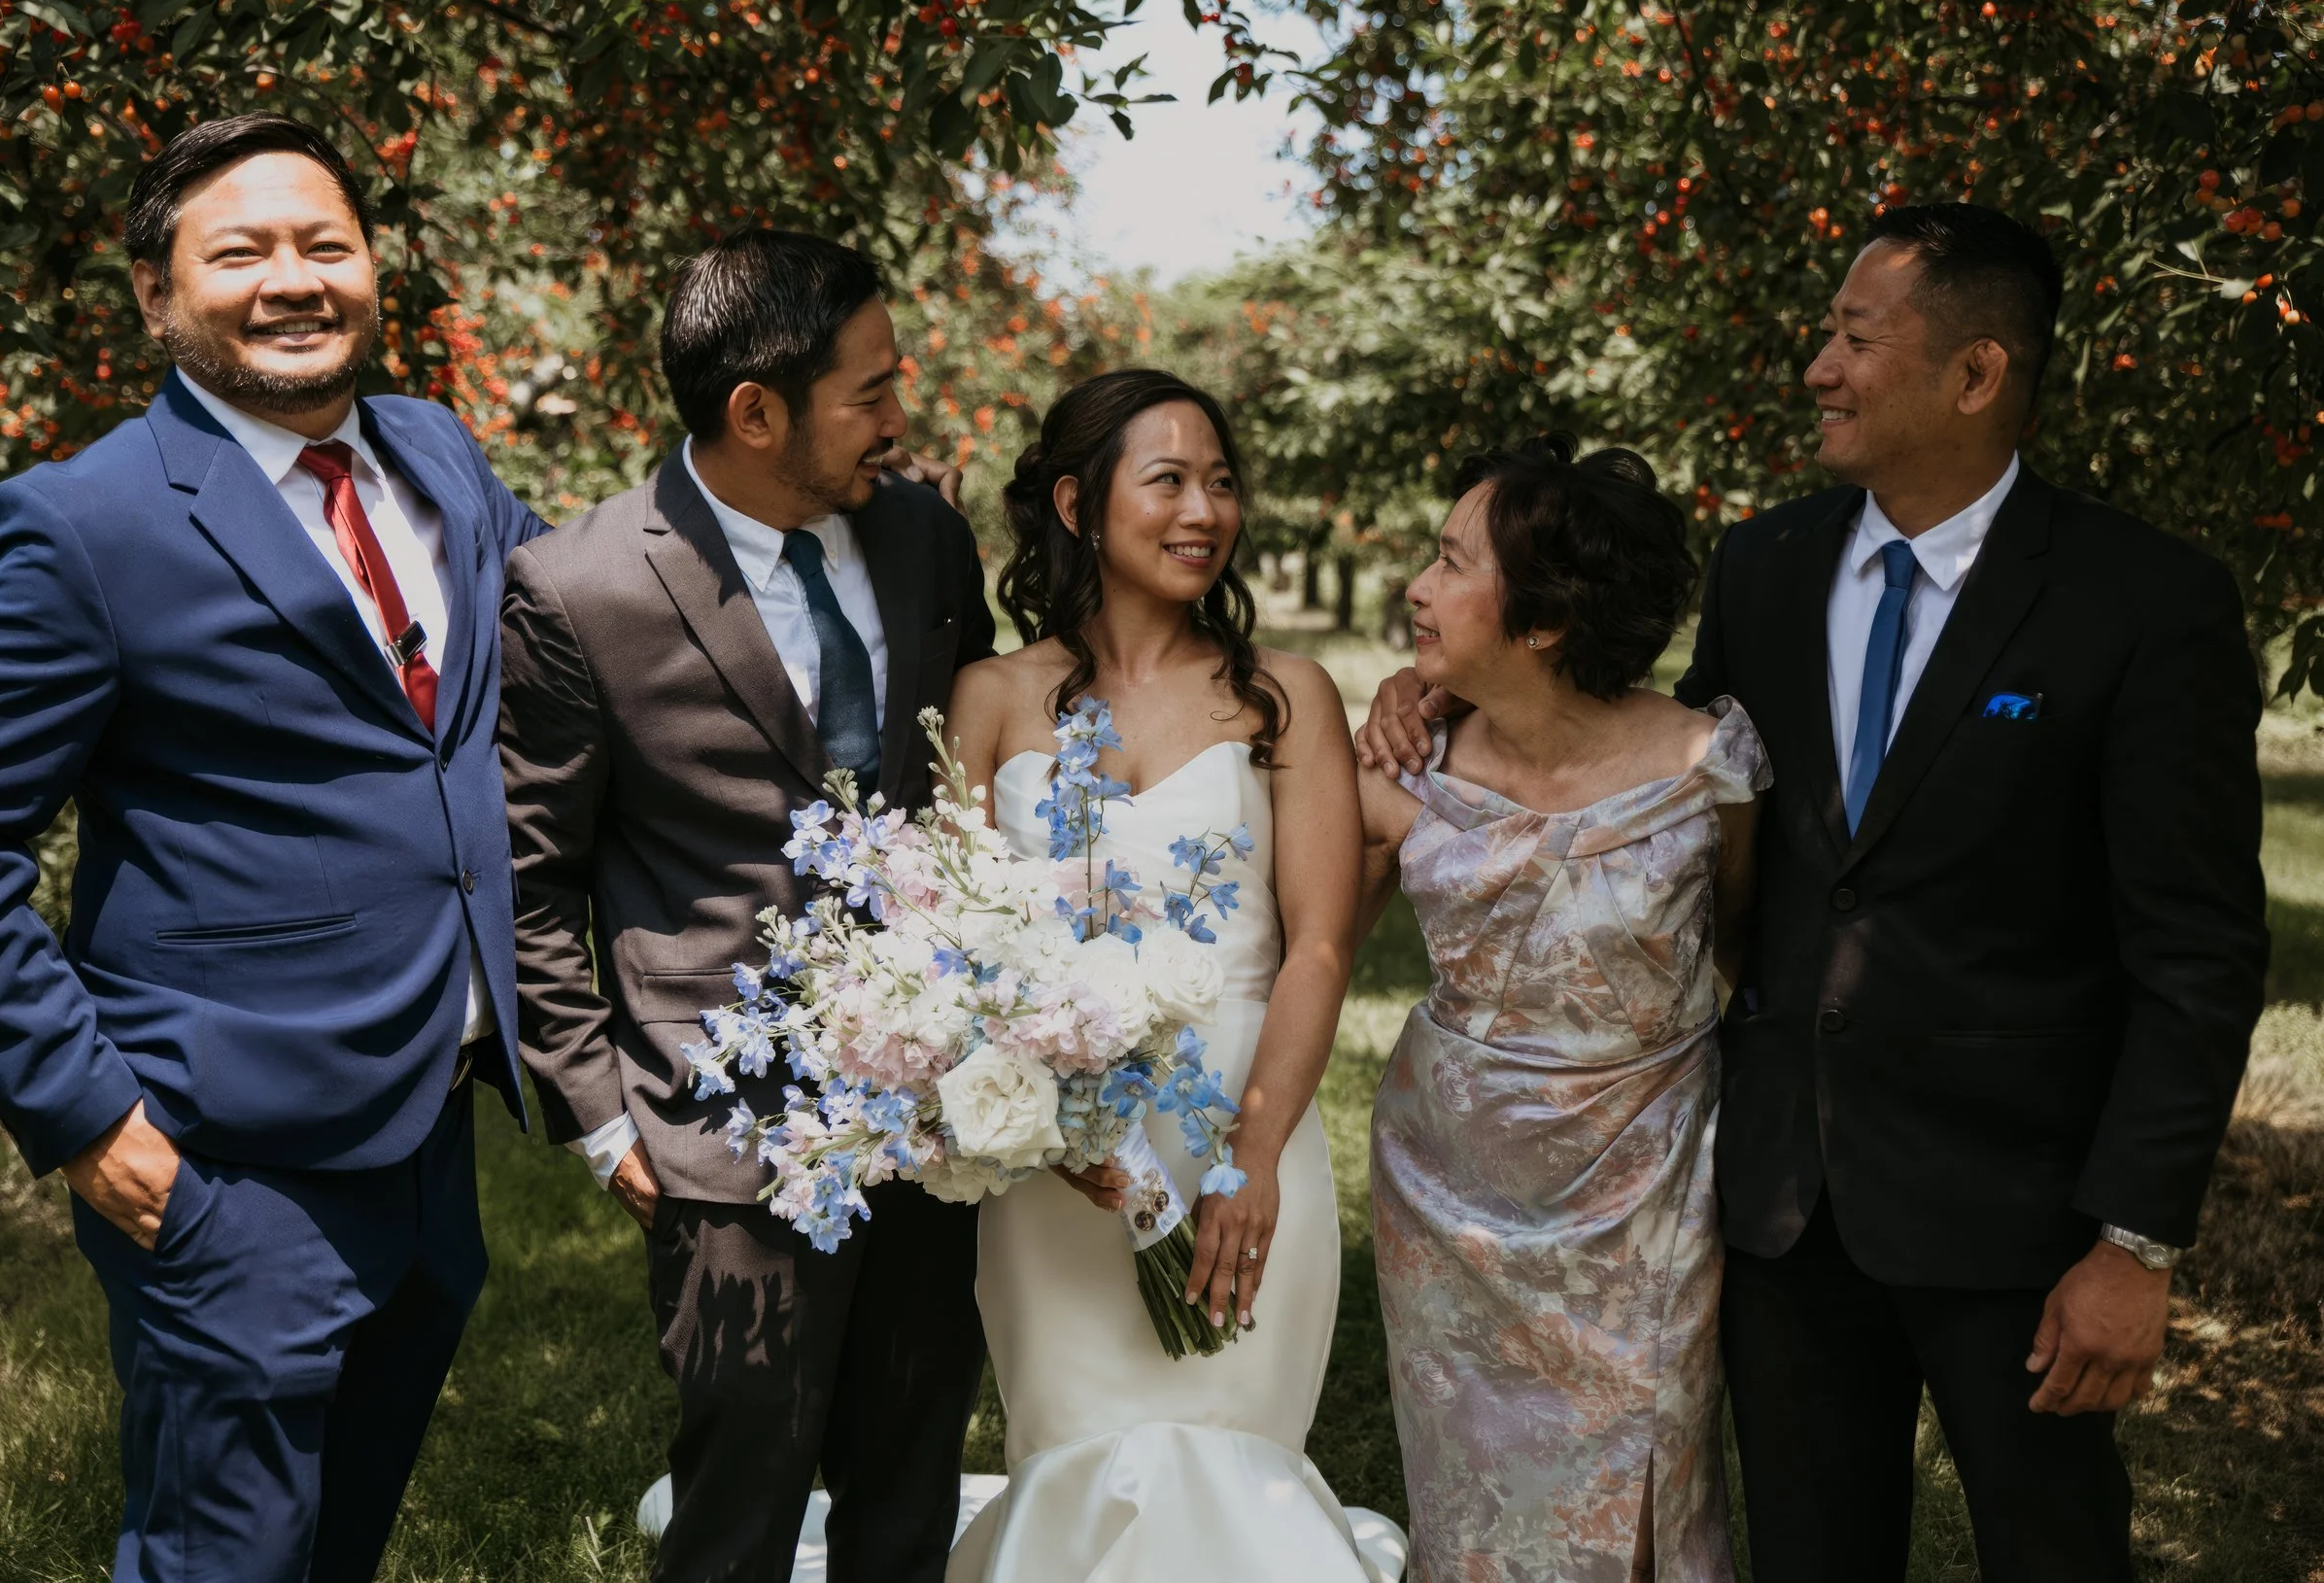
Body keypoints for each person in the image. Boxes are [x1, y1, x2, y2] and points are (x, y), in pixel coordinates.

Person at [1359, 204, 2270, 1582]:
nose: (1818, 369)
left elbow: (2199, 950)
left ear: (1975, 374)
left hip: (2013, 1214)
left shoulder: (2145, 604)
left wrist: (2133, 1238)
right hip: (1776, 1200)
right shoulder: (1768, 567)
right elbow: (1642, 749)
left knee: (2054, 1551)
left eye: (1855, 337)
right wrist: (1428, 679)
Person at [0, 115, 547, 1582]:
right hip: (221, 1163)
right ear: (155, 292)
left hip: (431, 1132)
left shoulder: (438, 451)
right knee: (223, 1559)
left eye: (326, 243)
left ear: (375, 266)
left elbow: (570, 648)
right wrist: (83, 1117)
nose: (292, 280)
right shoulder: (85, 524)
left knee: (339, 1546)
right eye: (239, 251)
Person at [498, 228, 993, 1583]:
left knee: (909, 1495)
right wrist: (602, 1117)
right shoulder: (577, 587)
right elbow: (531, 878)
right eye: (873, 391)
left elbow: (977, 769)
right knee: (739, 1506)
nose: (902, 417)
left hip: (941, 1111)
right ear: (756, 411)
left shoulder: (929, 540)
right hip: (722, 1126)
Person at [940, 367, 1398, 1583]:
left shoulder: (1285, 695)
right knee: (1077, 1464)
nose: (1206, 508)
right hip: (1054, 1164)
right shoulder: (988, 698)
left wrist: (1250, 1154)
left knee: (1229, 1467)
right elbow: (948, 944)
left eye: (1223, 481)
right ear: (1079, 503)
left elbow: (1317, 943)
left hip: (1246, 1119)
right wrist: (1041, 1122)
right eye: (1170, 480)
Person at [1352, 437, 1764, 1583]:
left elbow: (1742, 943)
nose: (1416, 589)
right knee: (1470, 1491)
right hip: (1445, 1185)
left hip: (1646, 1184)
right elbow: (1307, 950)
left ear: (1540, 621)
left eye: (1447, 562)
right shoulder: (1404, 759)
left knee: (1650, 1473)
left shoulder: (1708, 765)